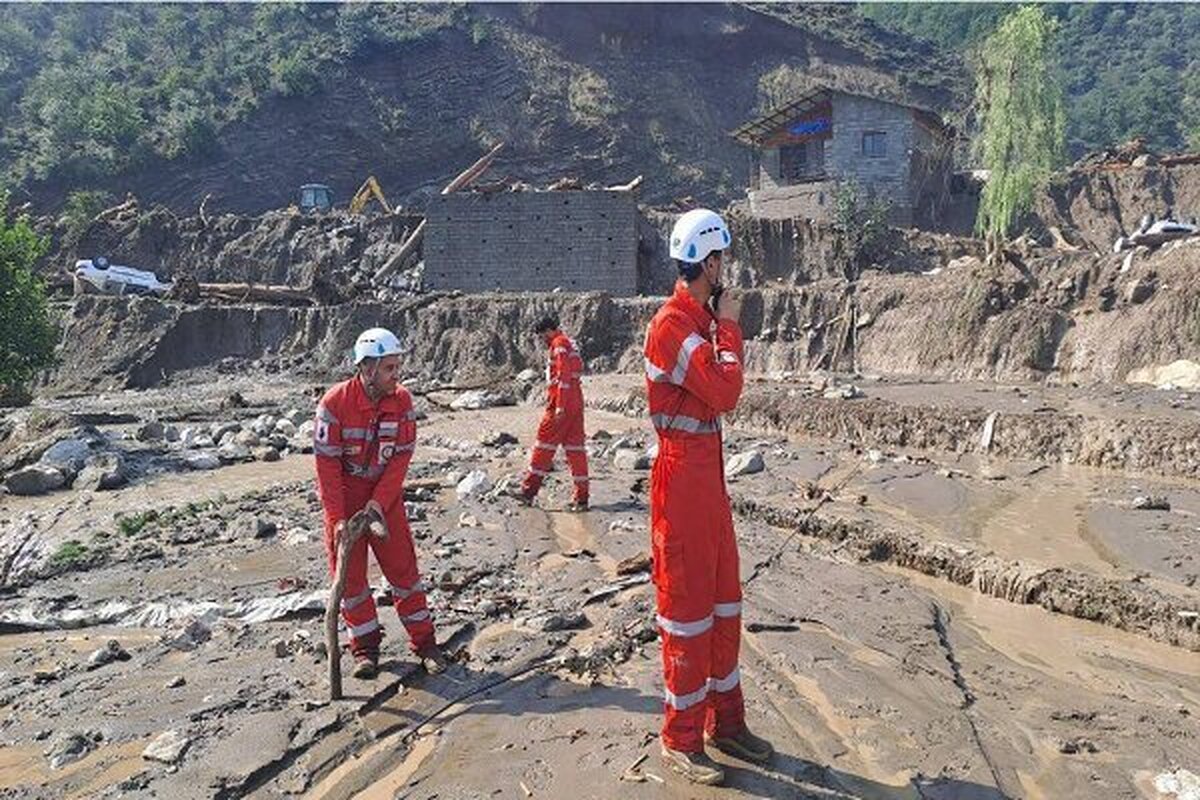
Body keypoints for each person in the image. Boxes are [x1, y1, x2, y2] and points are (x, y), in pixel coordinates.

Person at [643, 209, 773, 785]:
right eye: (721, 259)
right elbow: (725, 392)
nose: (727, 269)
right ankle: (680, 737)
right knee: (688, 614)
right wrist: (730, 329)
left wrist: (719, 329)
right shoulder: (673, 325)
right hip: (681, 481)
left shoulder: (699, 322)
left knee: (724, 604)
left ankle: (728, 723)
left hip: (708, 481)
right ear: (708, 262)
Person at [313, 327, 447, 679]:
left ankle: (426, 644)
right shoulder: (333, 405)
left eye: (397, 367)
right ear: (368, 369)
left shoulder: (402, 402)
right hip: (345, 498)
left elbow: (400, 461)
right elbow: (326, 470)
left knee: (404, 573)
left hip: (384, 499)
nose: (396, 375)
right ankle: (365, 650)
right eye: (390, 368)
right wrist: (338, 520)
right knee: (351, 583)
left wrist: (378, 505)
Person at [518, 314, 589, 510]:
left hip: (562, 401)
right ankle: (582, 498)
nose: (542, 340)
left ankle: (527, 492)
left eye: (542, 336)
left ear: (548, 330)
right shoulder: (569, 343)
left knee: (543, 446)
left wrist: (559, 406)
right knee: (576, 450)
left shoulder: (558, 344)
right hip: (576, 401)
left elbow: (564, 375)